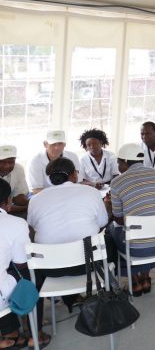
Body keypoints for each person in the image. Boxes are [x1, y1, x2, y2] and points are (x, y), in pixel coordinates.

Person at [27, 158, 109, 316]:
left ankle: (70, 298)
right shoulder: (90, 192)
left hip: (51, 269)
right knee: (108, 242)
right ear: (74, 175)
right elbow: (103, 222)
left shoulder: (35, 200)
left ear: (49, 178)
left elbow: (34, 228)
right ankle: (108, 292)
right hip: (89, 265)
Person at [109, 143, 155, 296]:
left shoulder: (116, 183)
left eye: (118, 162)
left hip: (140, 248)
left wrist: (109, 204)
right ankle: (145, 277)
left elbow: (119, 219)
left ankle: (134, 281)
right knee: (148, 225)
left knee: (112, 231)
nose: (118, 166)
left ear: (124, 162)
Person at [0, 178, 46, 349]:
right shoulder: (15, 223)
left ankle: (11, 333)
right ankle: (35, 334)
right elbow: (21, 264)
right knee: (34, 276)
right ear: (7, 201)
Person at [28, 129, 82, 193]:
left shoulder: (72, 156)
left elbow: (78, 181)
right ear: (45, 144)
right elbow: (36, 189)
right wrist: (57, 195)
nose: (57, 148)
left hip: (70, 192)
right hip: (46, 195)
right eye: (53, 144)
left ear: (65, 144)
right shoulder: (35, 161)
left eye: (60, 144)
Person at [0, 145, 30, 214]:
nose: (7, 166)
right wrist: (27, 207)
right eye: (2, 162)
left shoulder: (18, 169)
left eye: (11, 162)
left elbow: (18, 195)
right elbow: (3, 208)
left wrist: (30, 203)